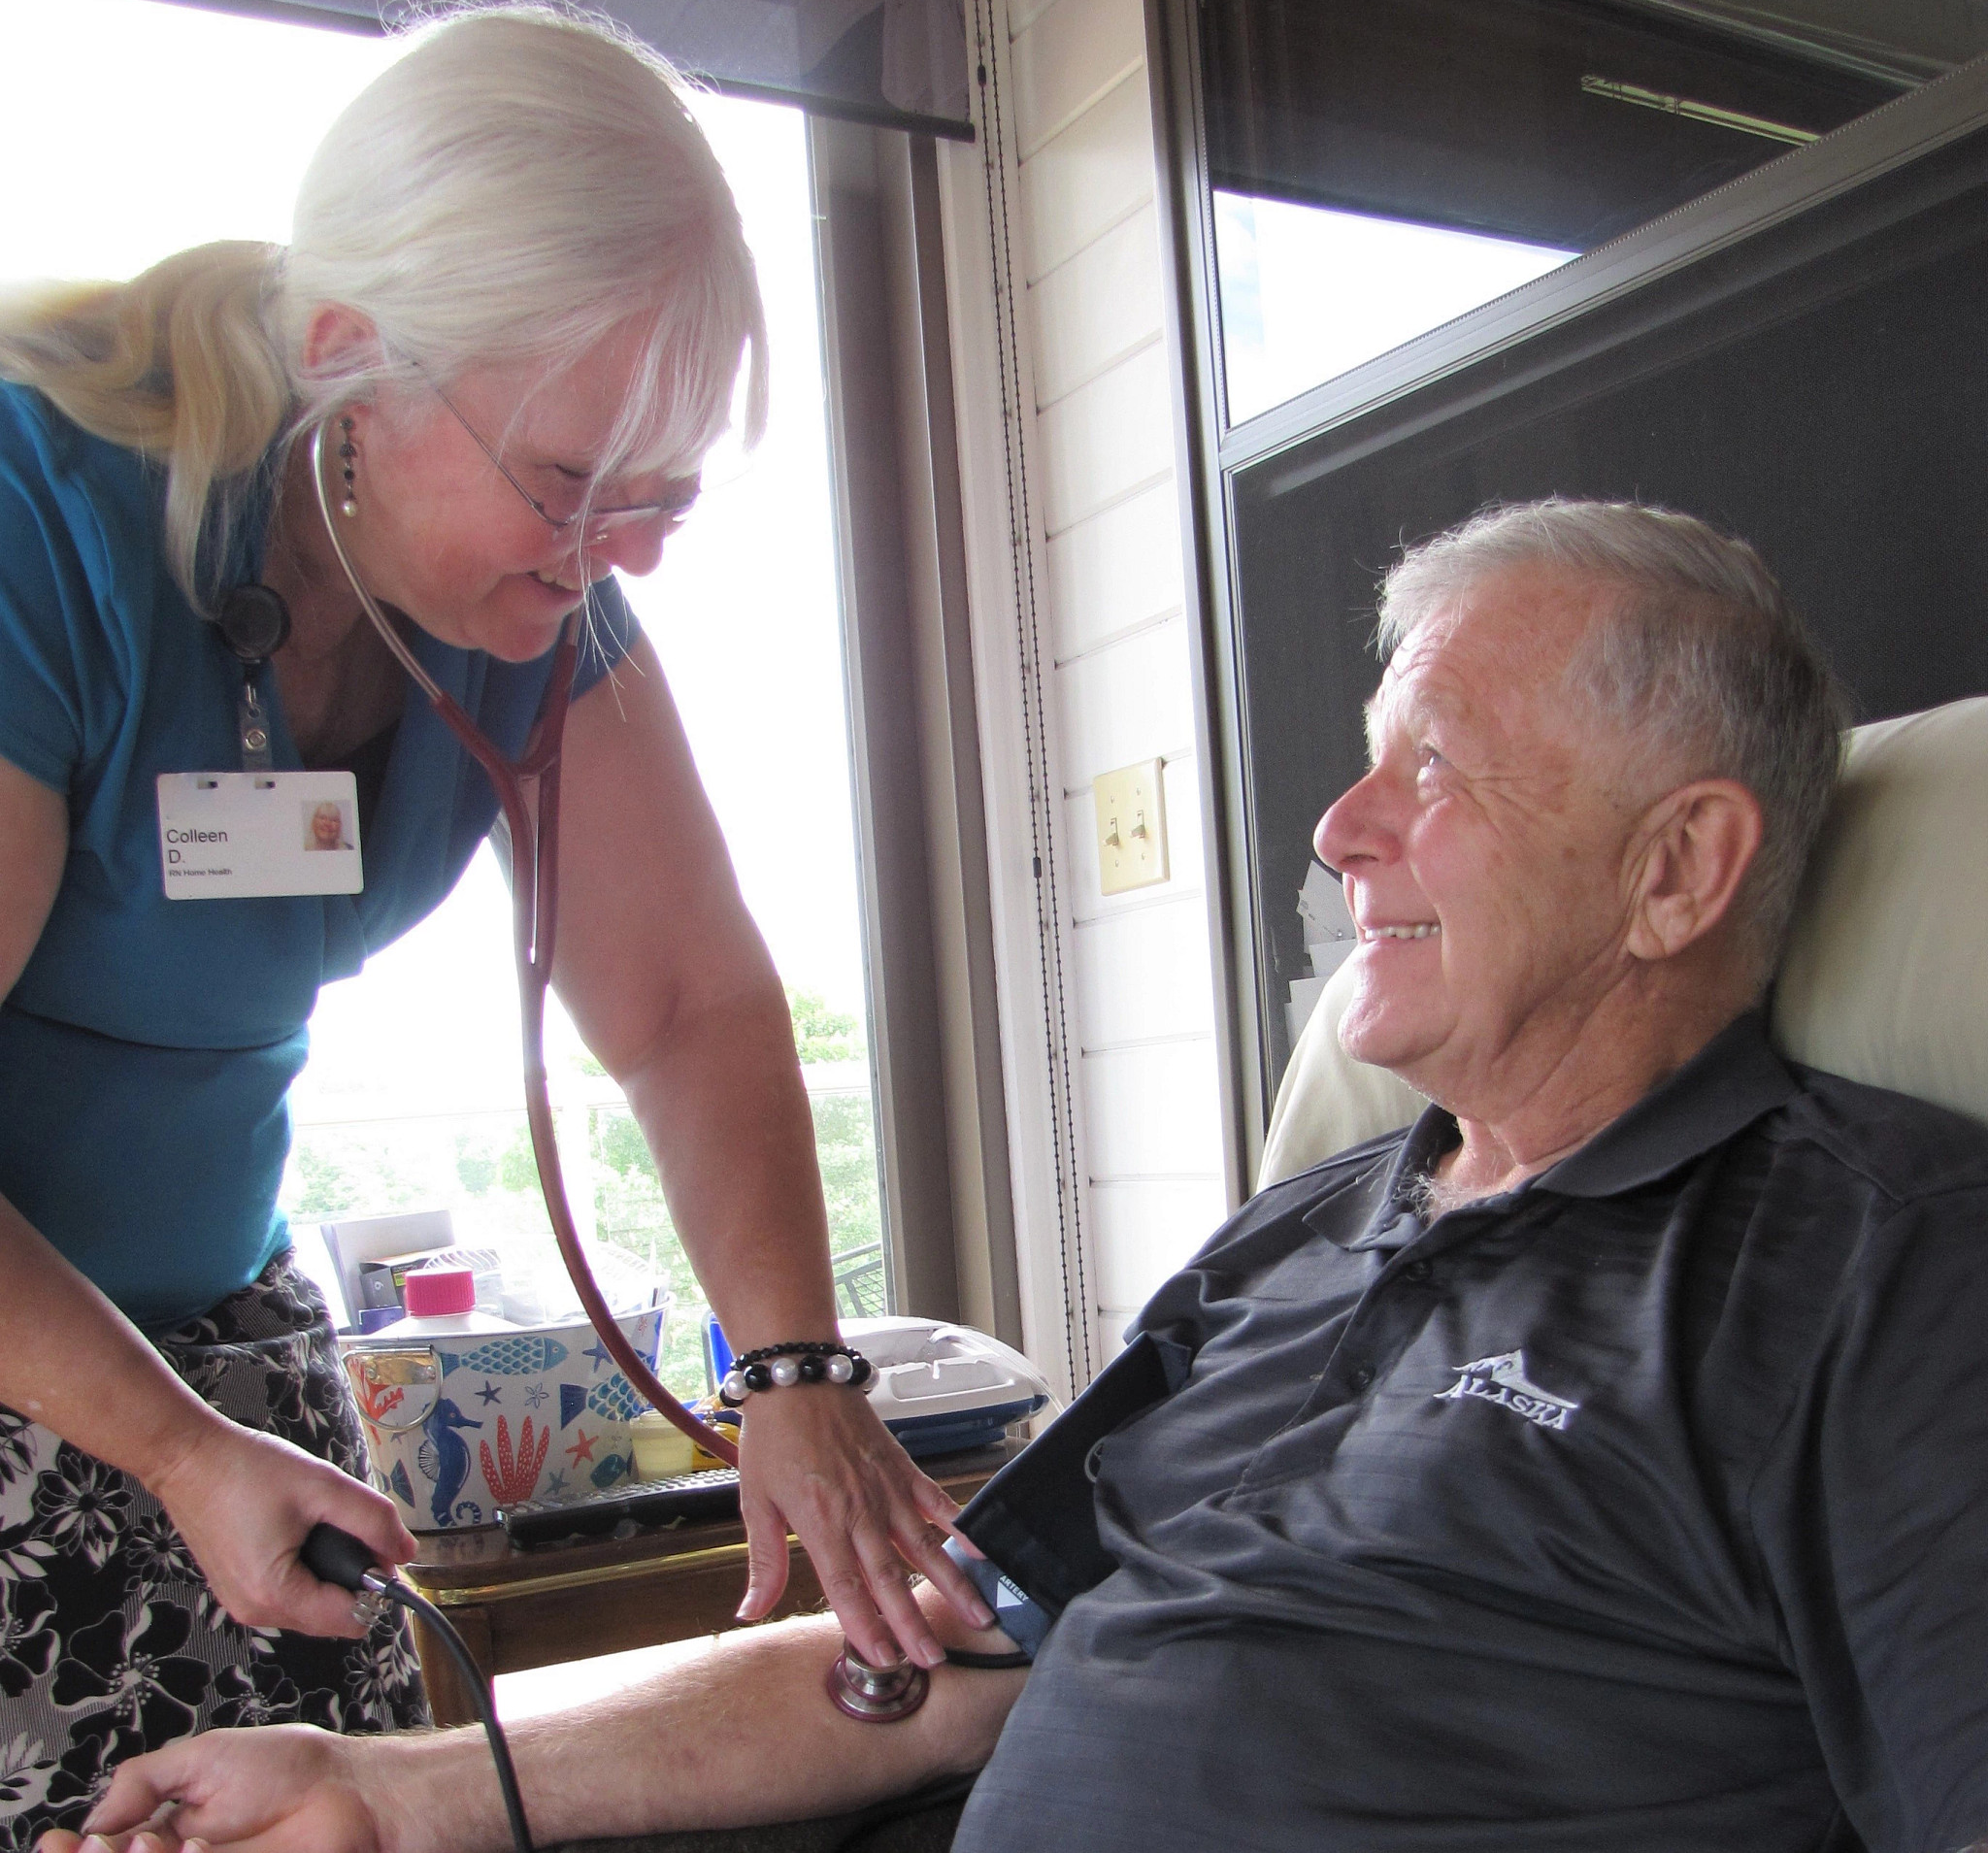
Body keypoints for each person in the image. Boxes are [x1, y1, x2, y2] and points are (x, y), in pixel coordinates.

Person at [50, 497, 1988, 1853]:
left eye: (1437, 775)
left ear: (1677, 872)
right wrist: (378, 1793)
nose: (1337, 828)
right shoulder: (1302, 1237)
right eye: (1362, 761)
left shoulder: (1881, 1268)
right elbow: (938, 1658)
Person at [0, 1, 989, 1845]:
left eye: (665, 497)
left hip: (233, 1376)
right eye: (566, 485)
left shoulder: (541, 613)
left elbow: (689, 1003)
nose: (616, 553)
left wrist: (792, 1369)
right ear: (349, 364)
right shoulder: (35, 534)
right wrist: (166, 1449)